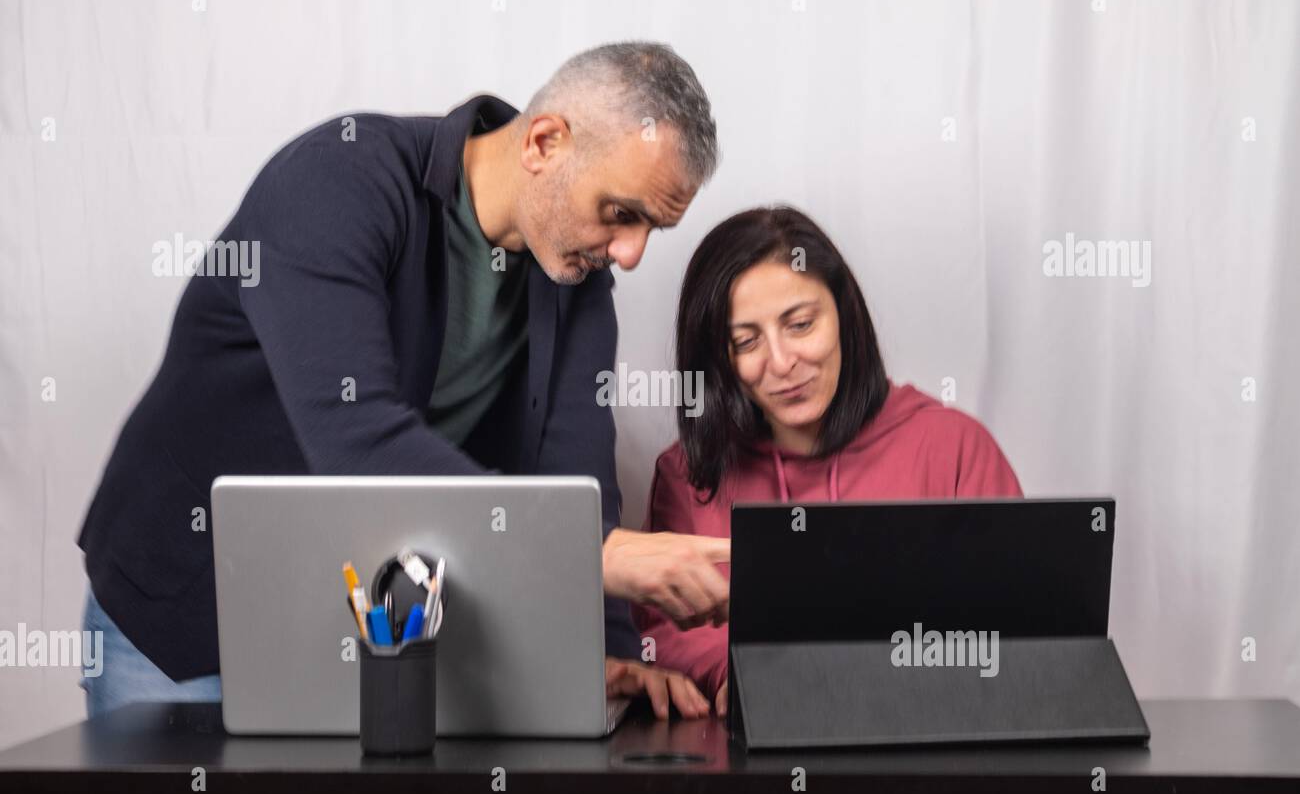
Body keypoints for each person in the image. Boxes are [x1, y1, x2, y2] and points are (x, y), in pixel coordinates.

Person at [78, 42, 728, 720]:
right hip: (182, 611)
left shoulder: (576, 280)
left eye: (652, 228)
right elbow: (360, 444)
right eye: (622, 213)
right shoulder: (336, 183)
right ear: (544, 142)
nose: (630, 253)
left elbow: (578, 483)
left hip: (365, 627)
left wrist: (607, 655)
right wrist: (593, 554)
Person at [634, 206, 1023, 713]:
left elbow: (1017, 622)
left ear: (843, 313)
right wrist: (739, 674)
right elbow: (660, 632)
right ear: (718, 360)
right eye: (745, 341)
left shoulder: (954, 448)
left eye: (800, 324)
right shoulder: (687, 475)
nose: (781, 361)